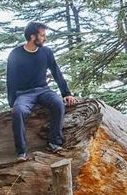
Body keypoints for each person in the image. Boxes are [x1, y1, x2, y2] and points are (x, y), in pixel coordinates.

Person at [7, 22, 77, 160]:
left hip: (43, 90)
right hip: (23, 94)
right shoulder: (15, 54)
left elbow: (56, 72)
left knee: (58, 103)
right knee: (18, 111)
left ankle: (54, 142)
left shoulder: (46, 52)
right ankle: (21, 152)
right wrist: (12, 103)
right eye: (42, 35)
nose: (45, 38)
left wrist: (66, 93)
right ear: (33, 37)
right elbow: (11, 80)